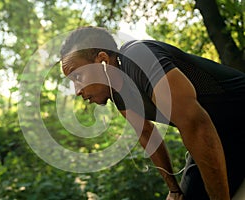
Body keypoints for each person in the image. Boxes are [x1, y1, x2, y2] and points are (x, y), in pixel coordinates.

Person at [59, 26, 245, 200]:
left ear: (102, 60)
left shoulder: (138, 56)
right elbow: (148, 135)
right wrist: (173, 190)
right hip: (222, 135)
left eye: (78, 77)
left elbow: (195, 125)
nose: (77, 91)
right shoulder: (119, 96)